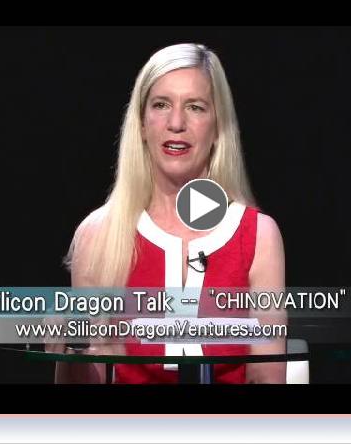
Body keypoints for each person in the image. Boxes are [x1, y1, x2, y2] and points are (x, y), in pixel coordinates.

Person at [54, 43, 286, 384]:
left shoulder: (259, 236)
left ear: (217, 127)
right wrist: (70, 349)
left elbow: (266, 378)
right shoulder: (98, 234)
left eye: (195, 107)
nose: (176, 123)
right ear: (141, 124)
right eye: (161, 105)